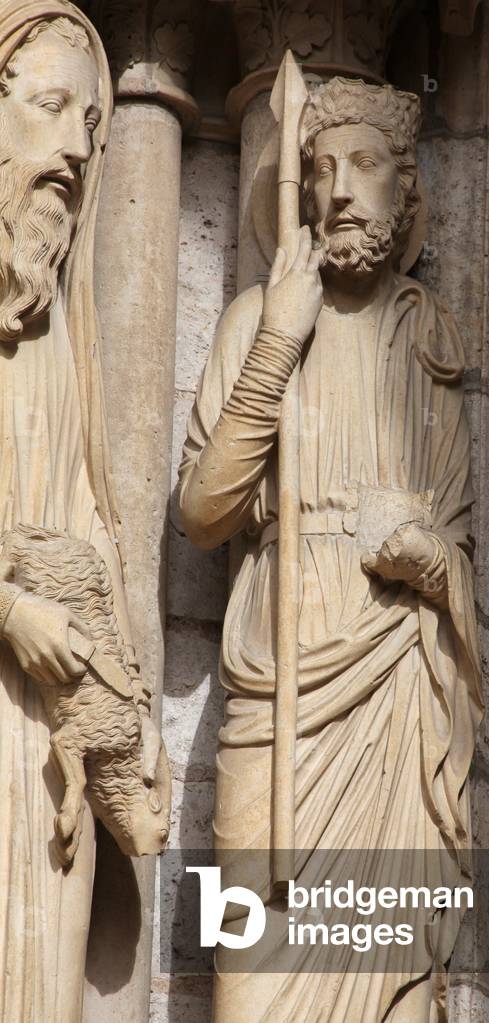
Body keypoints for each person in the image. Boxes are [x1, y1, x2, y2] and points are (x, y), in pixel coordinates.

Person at [180, 76, 483, 1022]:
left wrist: (428, 556)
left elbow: (459, 542)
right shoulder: (254, 322)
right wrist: (278, 341)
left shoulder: (423, 340)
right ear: (300, 197)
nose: (341, 190)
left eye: (364, 167)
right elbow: (203, 509)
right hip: (278, 688)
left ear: (407, 192)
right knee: (251, 990)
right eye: (320, 170)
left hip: (390, 692)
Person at [0, 4, 161, 1019]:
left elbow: (91, 519)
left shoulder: (63, 328)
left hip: (51, 724)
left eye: (92, 128)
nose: (70, 147)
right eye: (50, 108)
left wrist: (122, 708)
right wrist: (10, 610)